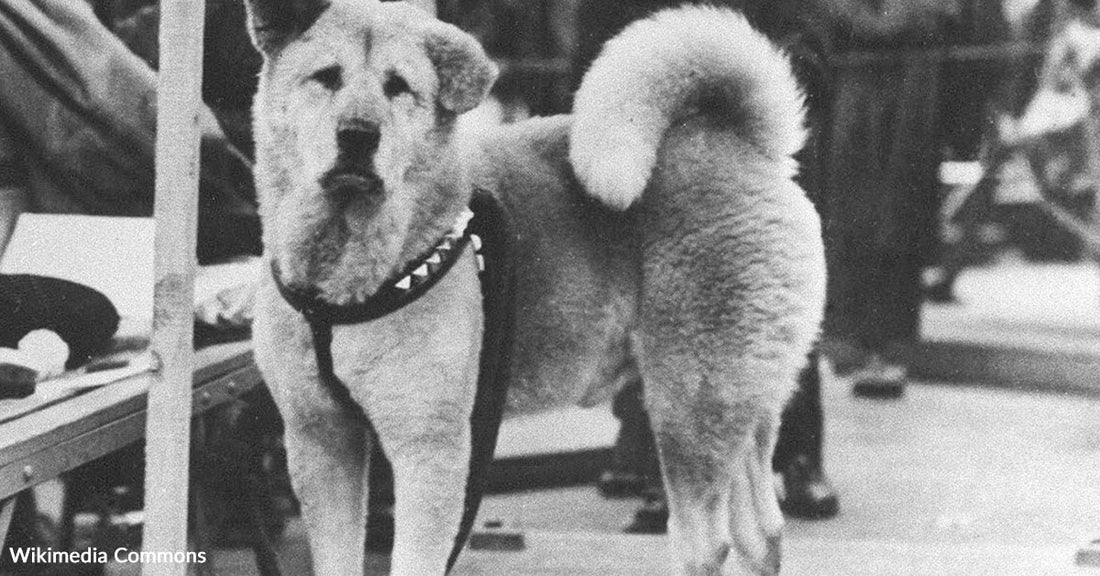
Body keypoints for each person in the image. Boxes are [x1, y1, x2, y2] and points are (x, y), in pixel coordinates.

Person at [570, 0, 840, 532]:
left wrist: (769, 73)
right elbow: (597, 39)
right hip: (657, 137)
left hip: (751, 128)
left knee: (763, 300)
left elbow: (808, 35)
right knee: (660, 307)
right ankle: (655, 460)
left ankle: (799, 452)